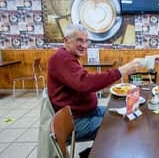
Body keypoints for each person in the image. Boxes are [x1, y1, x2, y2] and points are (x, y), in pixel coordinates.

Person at [47, 24, 142, 152]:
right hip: (76, 120)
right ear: (66, 41)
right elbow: (85, 83)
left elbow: (84, 81)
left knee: (125, 114)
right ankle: (93, 154)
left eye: (87, 41)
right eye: (79, 40)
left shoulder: (69, 56)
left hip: (88, 111)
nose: (84, 45)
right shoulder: (61, 58)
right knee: (119, 124)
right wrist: (121, 71)